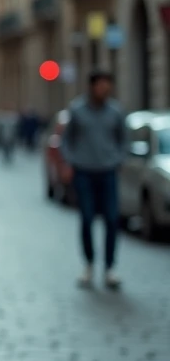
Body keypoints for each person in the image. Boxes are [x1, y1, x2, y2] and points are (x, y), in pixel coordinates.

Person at [61, 70, 127, 290]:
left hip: (108, 171)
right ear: (92, 87)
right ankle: (89, 264)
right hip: (84, 172)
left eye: (107, 85)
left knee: (111, 219)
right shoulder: (77, 110)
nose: (104, 89)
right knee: (87, 219)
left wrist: (118, 159)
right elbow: (66, 140)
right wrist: (69, 162)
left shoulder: (116, 112)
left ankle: (110, 267)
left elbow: (123, 140)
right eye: (101, 85)